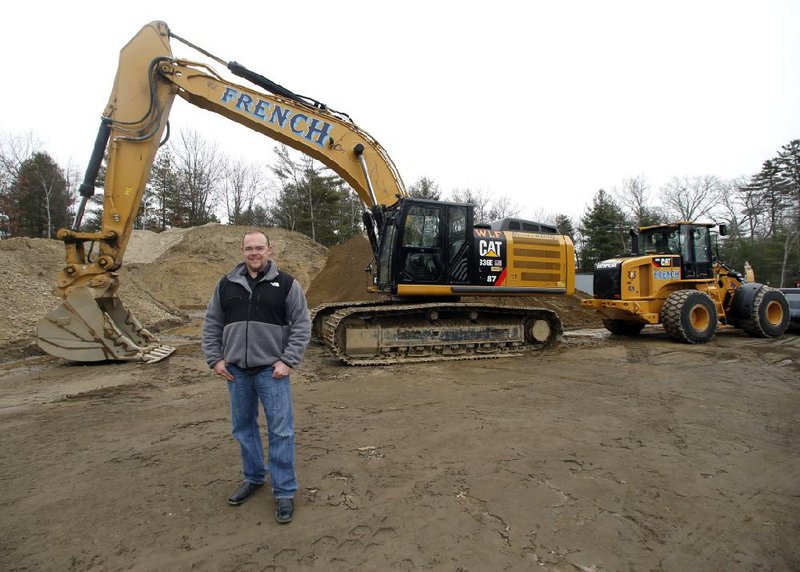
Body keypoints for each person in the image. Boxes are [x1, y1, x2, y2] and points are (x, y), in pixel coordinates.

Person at [202, 230, 311, 524]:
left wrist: (288, 361)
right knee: (243, 428)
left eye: (259, 248)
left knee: (281, 431)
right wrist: (215, 359)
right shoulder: (226, 284)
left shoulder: (286, 284)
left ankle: (284, 491)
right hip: (236, 371)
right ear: (242, 251)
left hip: (270, 371)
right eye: (249, 248)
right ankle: (253, 477)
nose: (254, 253)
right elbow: (212, 323)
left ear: (269, 250)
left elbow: (302, 324)